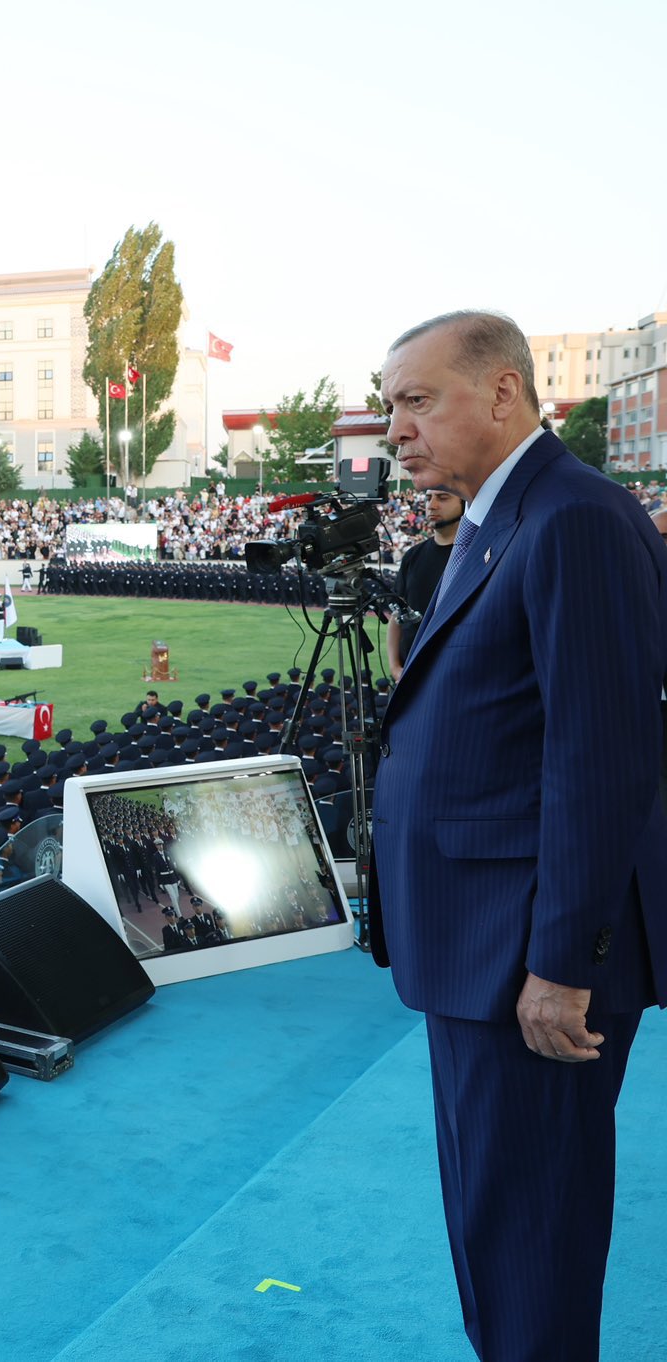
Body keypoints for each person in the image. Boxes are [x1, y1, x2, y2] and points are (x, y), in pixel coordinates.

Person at [370, 310, 667, 1362]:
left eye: (415, 399)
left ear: (502, 393)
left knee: (528, 1229)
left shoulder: (570, 518)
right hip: (475, 943)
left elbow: (602, 758)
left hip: (525, 957)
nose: (391, 427)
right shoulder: (497, 517)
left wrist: (559, 965)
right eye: (387, 402)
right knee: (496, 1220)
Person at [385, 488, 464, 679]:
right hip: (410, 674)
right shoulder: (413, 556)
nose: (432, 505)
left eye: (443, 497)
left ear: (464, 504)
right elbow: (397, 616)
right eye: (428, 498)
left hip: (455, 674)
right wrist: (395, 668)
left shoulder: (474, 555)